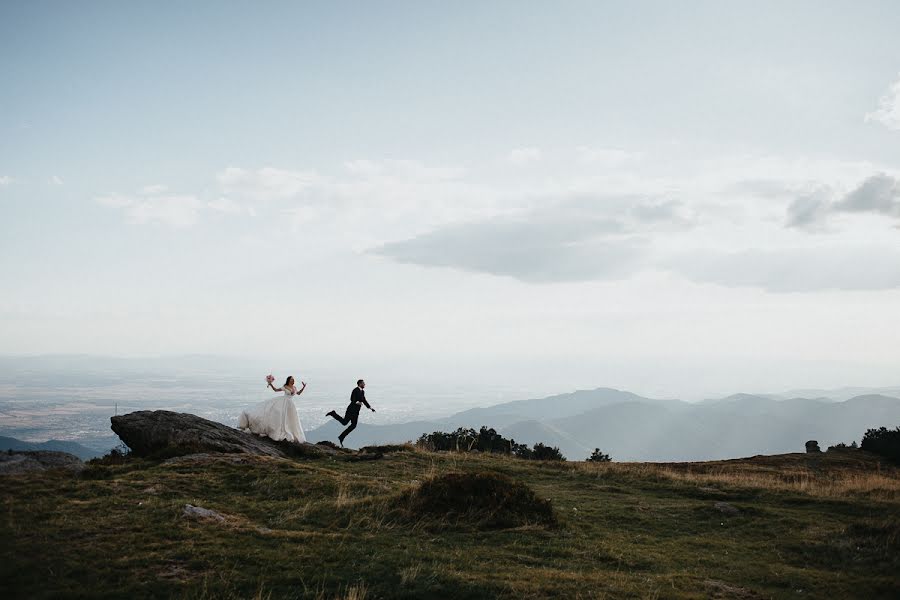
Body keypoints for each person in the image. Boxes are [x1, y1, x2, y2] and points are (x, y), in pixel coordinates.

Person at [238, 375, 307, 443]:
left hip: (290, 404)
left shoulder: (294, 387)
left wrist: (303, 387)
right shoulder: (285, 386)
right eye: (292, 379)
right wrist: (270, 384)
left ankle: (291, 433)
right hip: (284, 402)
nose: (293, 380)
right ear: (288, 380)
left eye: (293, 379)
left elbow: (298, 393)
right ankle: (279, 431)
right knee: (282, 417)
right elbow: (276, 390)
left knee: (291, 419)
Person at [326, 379, 375, 447]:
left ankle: (341, 437)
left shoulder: (362, 392)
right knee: (344, 423)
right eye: (363, 383)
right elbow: (352, 399)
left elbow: (364, 400)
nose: (364, 384)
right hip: (351, 410)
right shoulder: (355, 390)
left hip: (356, 412)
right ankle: (333, 413)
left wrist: (370, 408)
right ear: (359, 384)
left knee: (354, 425)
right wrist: (357, 402)